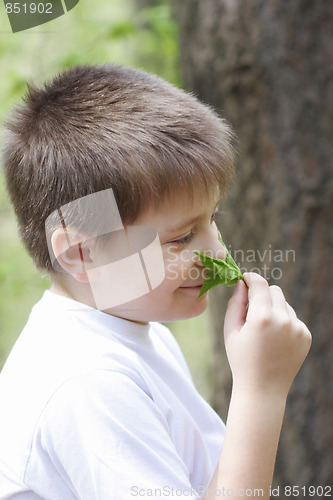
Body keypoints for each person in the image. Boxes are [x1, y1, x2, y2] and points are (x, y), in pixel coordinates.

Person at [0, 64, 311, 500]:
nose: (219, 253)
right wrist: (261, 392)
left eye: (213, 219)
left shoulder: (136, 331)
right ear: (81, 252)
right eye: (182, 236)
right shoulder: (88, 382)